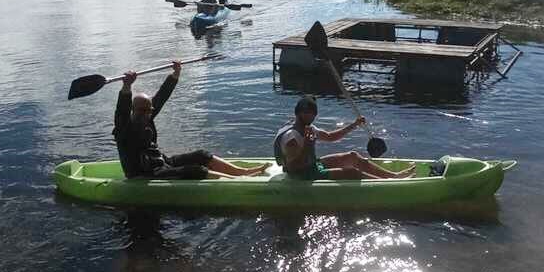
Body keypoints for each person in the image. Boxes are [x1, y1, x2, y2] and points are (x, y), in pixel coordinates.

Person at [114, 61, 269, 179]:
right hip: (145, 173)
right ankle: (238, 180)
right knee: (196, 170)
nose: (147, 114)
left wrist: (176, 74)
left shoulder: (147, 115)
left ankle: (244, 172)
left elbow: (162, 96)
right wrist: (127, 87)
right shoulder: (124, 127)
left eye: (149, 111)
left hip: (161, 163)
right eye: (142, 111)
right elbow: (121, 110)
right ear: (133, 110)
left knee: (201, 155)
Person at [274, 96, 416, 180]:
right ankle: (387, 185)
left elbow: (330, 137)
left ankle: (394, 176)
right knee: (352, 172)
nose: (310, 116)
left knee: (352, 156)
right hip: (301, 174)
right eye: (306, 113)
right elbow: (293, 167)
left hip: (311, 165)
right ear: (298, 113)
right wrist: (308, 144)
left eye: (312, 113)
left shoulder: (308, 128)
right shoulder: (291, 138)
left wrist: (354, 125)